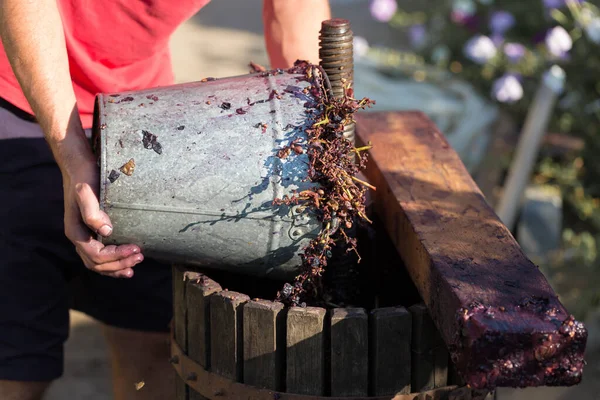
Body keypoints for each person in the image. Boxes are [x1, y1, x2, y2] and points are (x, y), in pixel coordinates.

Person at [0, 0, 331, 399]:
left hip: (143, 116)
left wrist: (322, 144)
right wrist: (72, 158)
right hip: (17, 90)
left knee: (152, 341)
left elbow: (293, 11)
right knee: (18, 365)